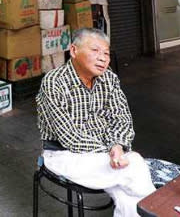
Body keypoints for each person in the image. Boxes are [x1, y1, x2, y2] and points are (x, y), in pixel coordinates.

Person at [36, 28, 154, 217]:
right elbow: (70, 137)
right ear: (74, 51)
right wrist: (110, 150)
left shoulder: (109, 78)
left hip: (102, 154)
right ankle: (158, 208)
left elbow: (121, 118)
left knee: (127, 196)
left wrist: (117, 145)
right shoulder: (54, 82)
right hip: (64, 154)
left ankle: (151, 209)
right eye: (95, 51)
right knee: (135, 166)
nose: (103, 58)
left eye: (106, 53)